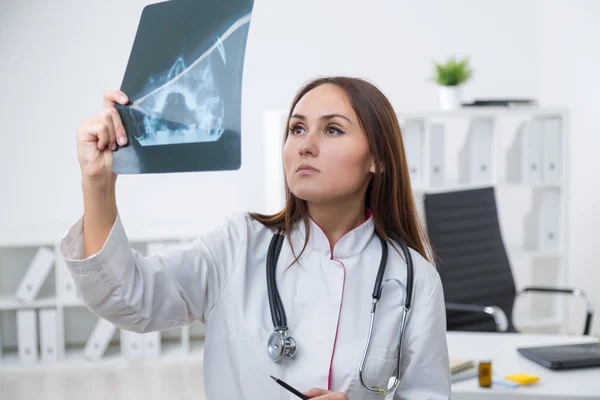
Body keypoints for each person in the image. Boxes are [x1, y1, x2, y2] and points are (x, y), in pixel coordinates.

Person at [60, 76, 450, 399]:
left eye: (332, 129)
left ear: (377, 159)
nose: (305, 145)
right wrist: (98, 183)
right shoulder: (239, 244)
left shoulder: (413, 277)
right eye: (297, 128)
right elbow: (129, 299)